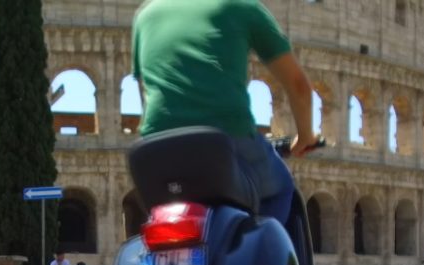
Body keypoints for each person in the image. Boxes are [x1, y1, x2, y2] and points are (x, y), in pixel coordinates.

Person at [132, 0, 320, 225]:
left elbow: (146, 90)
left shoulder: (145, 15)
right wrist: (305, 137)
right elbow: (298, 86)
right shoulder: (242, 6)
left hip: (154, 148)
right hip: (228, 136)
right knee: (280, 188)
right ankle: (259, 243)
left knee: (160, 215)